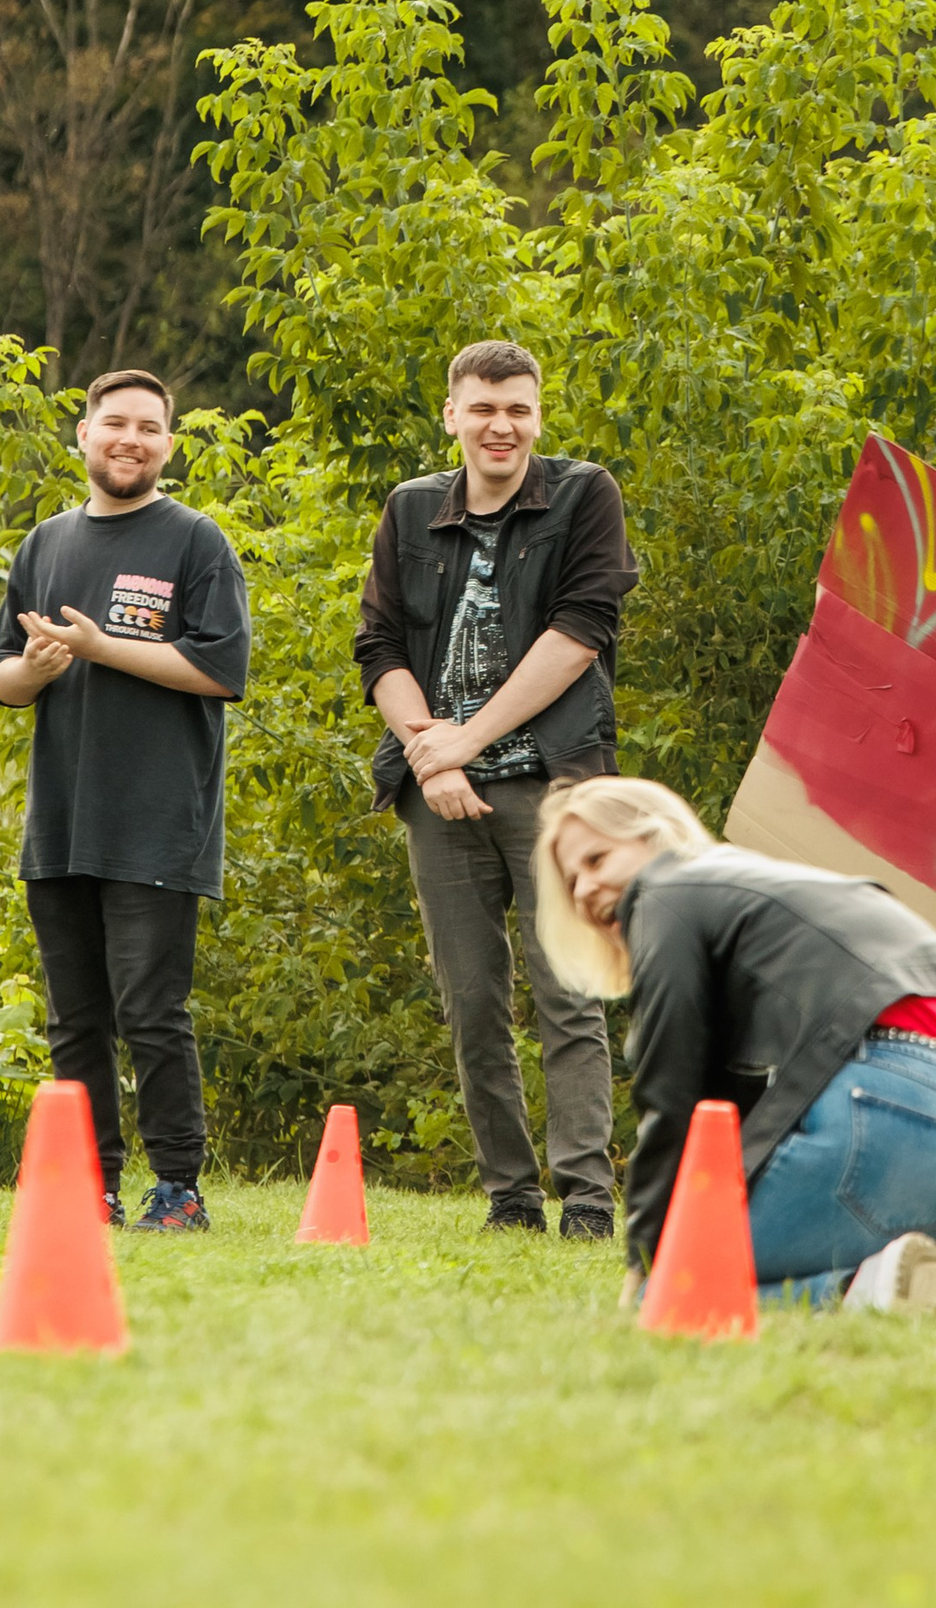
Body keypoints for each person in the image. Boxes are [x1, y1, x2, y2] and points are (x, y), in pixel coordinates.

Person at [536, 778, 936, 1314]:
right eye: (571, 882)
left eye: (596, 860)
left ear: (655, 837)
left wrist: (644, 1264)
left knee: (676, 1291)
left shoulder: (667, 890)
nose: (582, 891)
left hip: (901, 1116)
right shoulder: (768, 892)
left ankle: (856, 1291)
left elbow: (672, 1094)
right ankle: (896, 1280)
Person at [354, 340, 640, 1239]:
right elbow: (380, 648)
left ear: (538, 415)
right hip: (441, 800)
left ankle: (587, 1198)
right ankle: (510, 1199)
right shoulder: (407, 512)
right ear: (452, 415)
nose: (500, 425)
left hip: (556, 787)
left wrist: (457, 747)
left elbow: (581, 631)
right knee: (472, 1000)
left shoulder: (583, 494)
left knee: (570, 994)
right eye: (482, 407)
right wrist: (428, 756)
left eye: (517, 408)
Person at [0, 370, 251, 1231]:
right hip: (61, 822)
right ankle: (88, 1186)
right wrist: (38, 669)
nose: (130, 439)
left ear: (168, 444)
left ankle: (178, 1189)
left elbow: (219, 668)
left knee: (151, 1012)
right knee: (76, 1020)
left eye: (148, 427)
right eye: (114, 424)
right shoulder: (45, 543)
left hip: (157, 823)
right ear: (85, 435)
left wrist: (104, 647)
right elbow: (3, 678)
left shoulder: (196, 541)